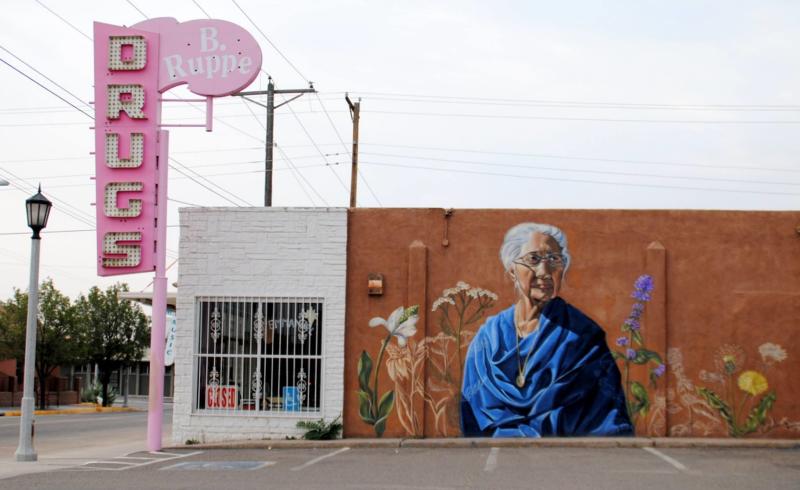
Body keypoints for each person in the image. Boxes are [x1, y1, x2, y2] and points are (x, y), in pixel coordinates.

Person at [460, 222, 633, 437]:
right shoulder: (487, 339)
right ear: (512, 271)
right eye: (533, 259)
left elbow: (608, 416)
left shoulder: (584, 336)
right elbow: (471, 413)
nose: (545, 272)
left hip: (570, 460)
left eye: (554, 259)